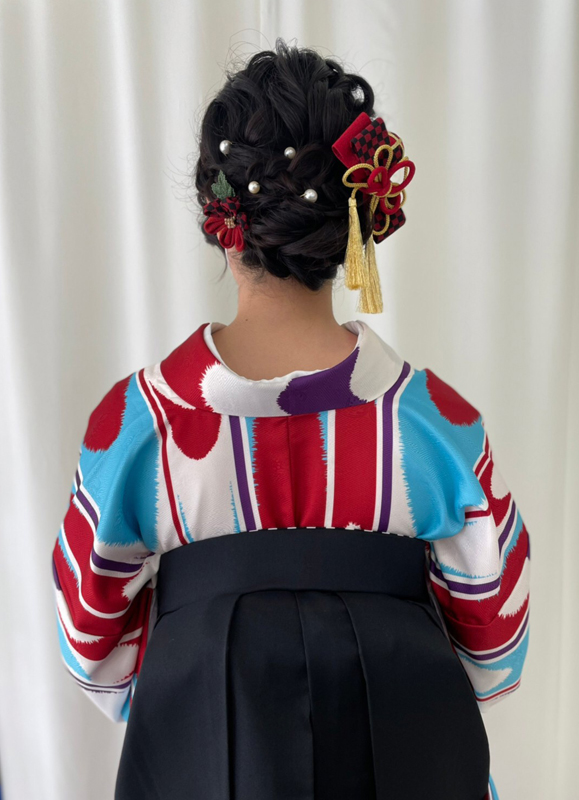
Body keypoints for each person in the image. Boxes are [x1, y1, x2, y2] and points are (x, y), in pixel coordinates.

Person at [51, 39, 530, 800]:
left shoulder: (141, 427)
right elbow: (495, 652)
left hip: (202, 766)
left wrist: (205, 669)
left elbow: (90, 646)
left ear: (220, 220)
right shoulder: (437, 428)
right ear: (353, 223)